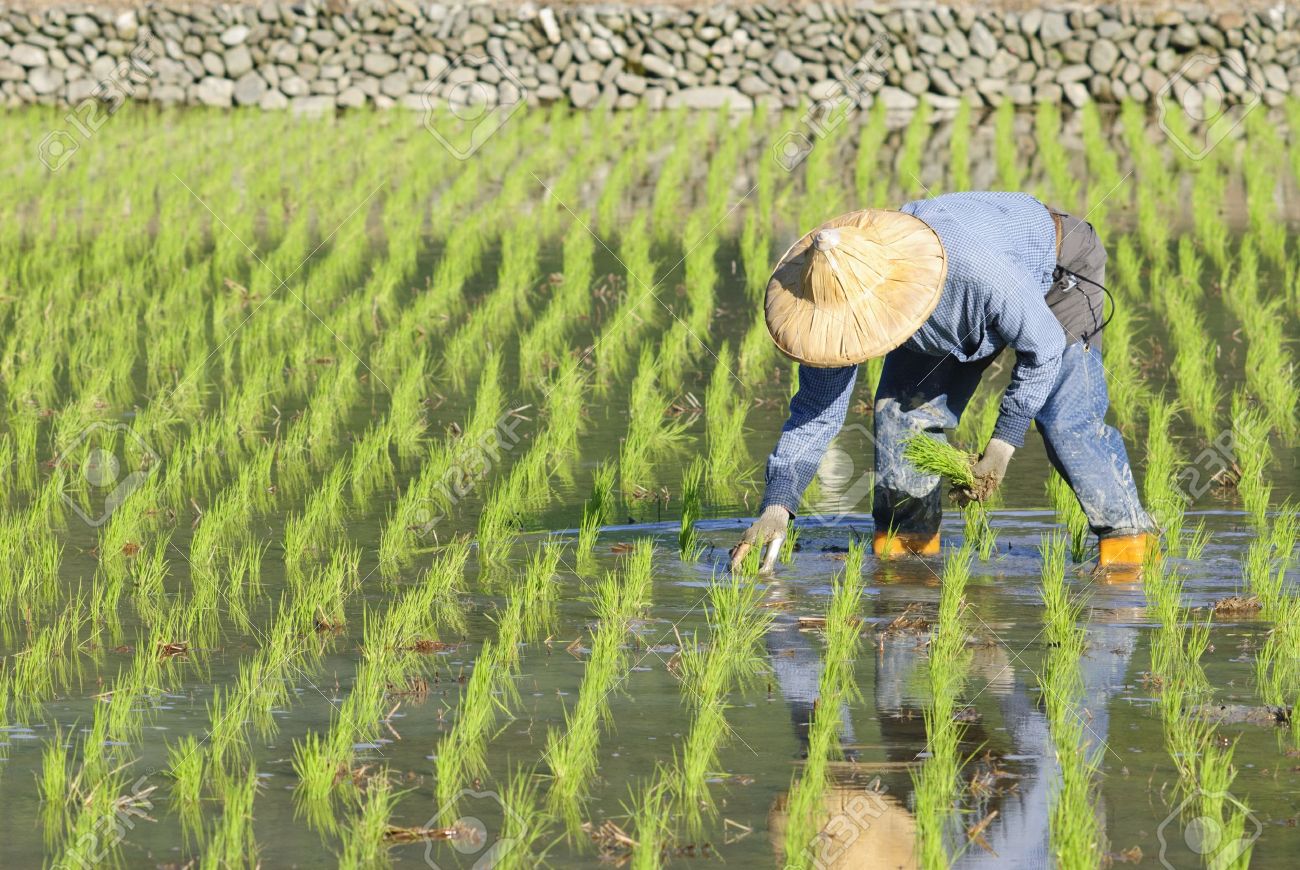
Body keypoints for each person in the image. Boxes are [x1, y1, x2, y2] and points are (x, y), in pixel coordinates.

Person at [731, 192, 1154, 569]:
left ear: (889, 299)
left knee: (1066, 423)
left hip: (1055, 272)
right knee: (902, 419)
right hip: (959, 302)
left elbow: (1042, 347)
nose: (858, 334)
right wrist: (777, 506)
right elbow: (814, 414)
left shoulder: (976, 273)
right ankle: (907, 561)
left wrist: (1002, 445)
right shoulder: (829, 306)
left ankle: (1130, 551)